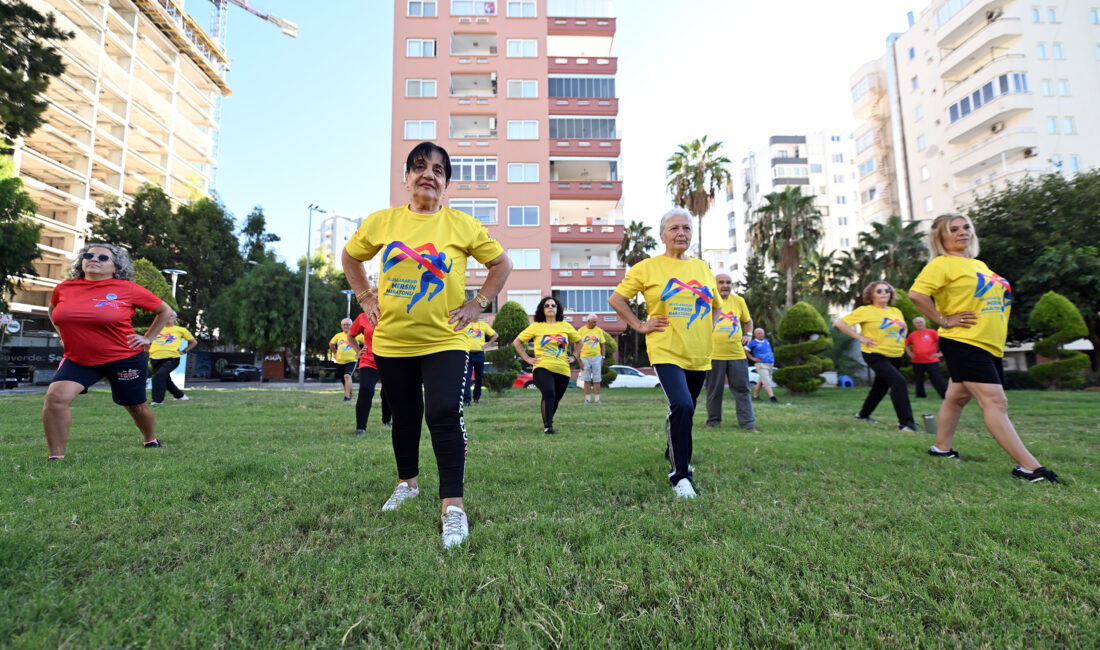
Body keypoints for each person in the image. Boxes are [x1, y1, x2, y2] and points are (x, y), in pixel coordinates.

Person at [341, 141, 513, 548]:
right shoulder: (383, 222)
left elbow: (502, 264)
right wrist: (366, 297)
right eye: (419, 167)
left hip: (446, 338)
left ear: (446, 183)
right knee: (404, 416)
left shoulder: (462, 225)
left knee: (441, 413)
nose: (428, 174)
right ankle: (408, 484)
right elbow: (351, 258)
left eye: (438, 170)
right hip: (392, 341)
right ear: (406, 178)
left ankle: (453, 507)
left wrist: (478, 304)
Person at [909, 212, 1059, 482]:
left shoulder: (978, 264)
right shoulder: (941, 264)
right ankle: (1029, 467)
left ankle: (941, 448)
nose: (962, 232)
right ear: (940, 237)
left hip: (989, 343)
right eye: (953, 229)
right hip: (964, 341)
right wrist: (943, 319)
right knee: (996, 402)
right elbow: (916, 294)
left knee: (957, 397)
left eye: (966, 227)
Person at [608, 208, 718, 500]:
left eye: (686, 228)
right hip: (666, 349)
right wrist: (640, 325)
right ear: (662, 235)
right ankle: (681, 475)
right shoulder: (648, 267)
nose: (681, 233)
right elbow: (617, 299)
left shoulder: (703, 269)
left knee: (687, 409)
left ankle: (673, 450)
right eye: (674, 229)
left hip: (699, 351)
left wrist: (713, 326)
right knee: (681, 405)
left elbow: (716, 304)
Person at [42, 243, 174, 459]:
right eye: (89, 255)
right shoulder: (65, 288)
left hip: (124, 358)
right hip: (79, 360)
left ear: (116, 267)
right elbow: (53, 310)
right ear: (82, 262)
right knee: (55, 398)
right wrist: (62, 335)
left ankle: (150, 438)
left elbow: (164, 311)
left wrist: (148, 338)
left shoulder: (128, 289)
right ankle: (56, 457)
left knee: (135, 407)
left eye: (103, 258)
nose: (94, 259)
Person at [835, 281, 918, 432]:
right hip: (875, 353)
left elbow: (901, 331)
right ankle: (906, 424)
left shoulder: (896, 311)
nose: (884, 293)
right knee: (899, 382)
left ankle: (862, 415)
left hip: (895, 354)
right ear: (871, 294)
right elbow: (840, 323)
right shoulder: (866, 310)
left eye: (887, 290)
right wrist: (860, 337)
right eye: (879, 291)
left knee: (880, 387)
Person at [514, 297, 580, 434]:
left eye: (553, 305)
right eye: (547, 305)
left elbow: (580, 342)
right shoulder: (536, 326)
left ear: (557, 309)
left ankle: (548, 419)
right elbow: (517, 342)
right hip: (542, 367)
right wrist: (527, 358)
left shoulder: (565, 326)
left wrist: (574, 356)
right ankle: (548, 426)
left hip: (563, 369)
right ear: (542, 309)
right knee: (549, 392)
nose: (550, 307)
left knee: (555, 398)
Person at [705, 273, 757, 431]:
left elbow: (748, 322)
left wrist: (748, 335)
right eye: (721, 282)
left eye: (728, 282)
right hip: (714, 355)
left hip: (737, 354)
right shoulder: (708, 301)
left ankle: (748, 424)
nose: (725, 285)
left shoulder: (739, 301)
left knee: (742, 390)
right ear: (715, 284)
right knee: (714, 391)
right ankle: (713, 422)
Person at [349, 311, 391, 434]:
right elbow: (351, 335)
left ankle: (387, 420)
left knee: (388, 391)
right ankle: (360, 428)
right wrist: (358, 351)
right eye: (374, 297)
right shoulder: (363, 316)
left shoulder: (393, 313)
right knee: (366, 389)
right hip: (368, 360)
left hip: (390, 360)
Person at [148, 313, 197, 405]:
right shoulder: (155, 329)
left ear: (175, 319)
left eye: (171, 315)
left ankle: (157, 401)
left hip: (171, 358)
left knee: (158, 376)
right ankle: (180, 396)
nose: (168, 317)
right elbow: (146, 341)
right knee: (165, 379)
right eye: (167, 315)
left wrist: (184, 351)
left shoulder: (180, 330)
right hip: (155, 358)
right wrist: (150, 351)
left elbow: (193, 342)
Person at [905, 316, 948, 399]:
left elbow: (943, 342)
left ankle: (945, 394)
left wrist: (940, 353)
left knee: (937, 378)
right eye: (917, 323)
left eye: (921, 322)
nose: (919, 324)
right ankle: (920, 395)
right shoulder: (912, 334)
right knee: (918, 379)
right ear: (914, 325)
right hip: (917, 361)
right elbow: (906, 345)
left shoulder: (932, 332)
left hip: (932, 360)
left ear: (924, 323)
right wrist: (910, 354)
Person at [575, 313, 608, 404]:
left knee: (597, 379)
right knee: (587, 379)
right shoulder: (580, 331)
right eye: (594, 322)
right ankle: (587, 399)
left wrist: (602, 358)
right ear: (588, 321)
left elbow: (602, 345)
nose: (595, 323)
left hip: (597, 357)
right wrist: (578, 360)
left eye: (596, 322)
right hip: (584, 357)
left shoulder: (599, 331)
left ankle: (597, 400)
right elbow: (576, 346)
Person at [463, 318, 497, 406]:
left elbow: (495, 335)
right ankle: (467, 400)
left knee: (479, 378)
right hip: (468, 354)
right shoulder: (466, 324)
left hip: (479, 355)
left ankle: (476, 398)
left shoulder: (483, 325)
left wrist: (487, 345)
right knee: (467, 378)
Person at [329, 318, 358, 401]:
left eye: (348, 324)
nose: (346, 326)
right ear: (341, 326)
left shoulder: (357, 334)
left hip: (352, 360)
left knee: (347, 376)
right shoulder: (338, 335)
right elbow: (331, 344)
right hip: (340, 361)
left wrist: (360, 353)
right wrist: (335, 353)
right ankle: (351, 394)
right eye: (344, 325)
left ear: (351, 325)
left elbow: (366, 343)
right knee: (344, 379)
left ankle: (347, 397)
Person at [745, 328, 778, 403]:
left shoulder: (766, 341)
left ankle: (755, 396)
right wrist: (752, 358)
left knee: (761, 381)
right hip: (761, 364)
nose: (761, 334)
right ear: (755, 334)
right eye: (759, 333)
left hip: (770, 364)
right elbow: (745, 350)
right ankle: (772, 398)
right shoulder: (753, 342)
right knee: (767, 381)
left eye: (762, 333)